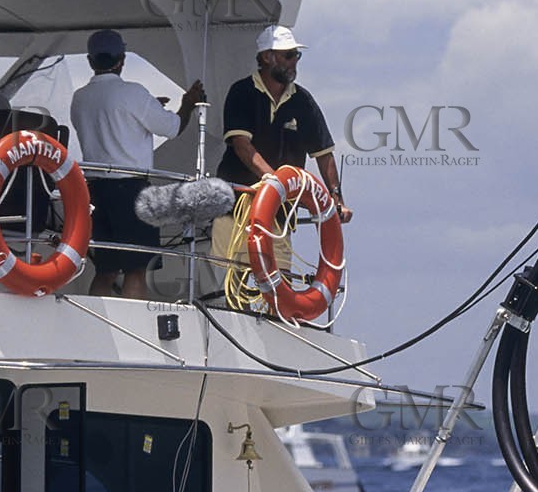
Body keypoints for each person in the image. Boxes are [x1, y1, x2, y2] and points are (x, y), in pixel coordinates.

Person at [211, 24, 351, 302]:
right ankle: (231, 318)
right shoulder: (242, 92)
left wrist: (336, 197)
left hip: (278, 211)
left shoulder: (303, 101)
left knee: (280, 277)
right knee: (233, 274)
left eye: (296, 56)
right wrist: (275, 182)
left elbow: (323, 153)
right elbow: (242, 145)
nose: (294, 62)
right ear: (267, 57)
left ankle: (276, 322)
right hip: (236, 202)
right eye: (288, 55)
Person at [70, 29, 205, 300]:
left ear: (90, 60)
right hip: (131, 189)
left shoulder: (80, 98)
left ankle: (97, 322)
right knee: (136, 269)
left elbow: (111, 119)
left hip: (95, 190)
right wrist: (187, 104)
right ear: (121, 59)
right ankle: (134, 331)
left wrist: (147, 107)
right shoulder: (133, 93)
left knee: (106, 270)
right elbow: (173, 127)